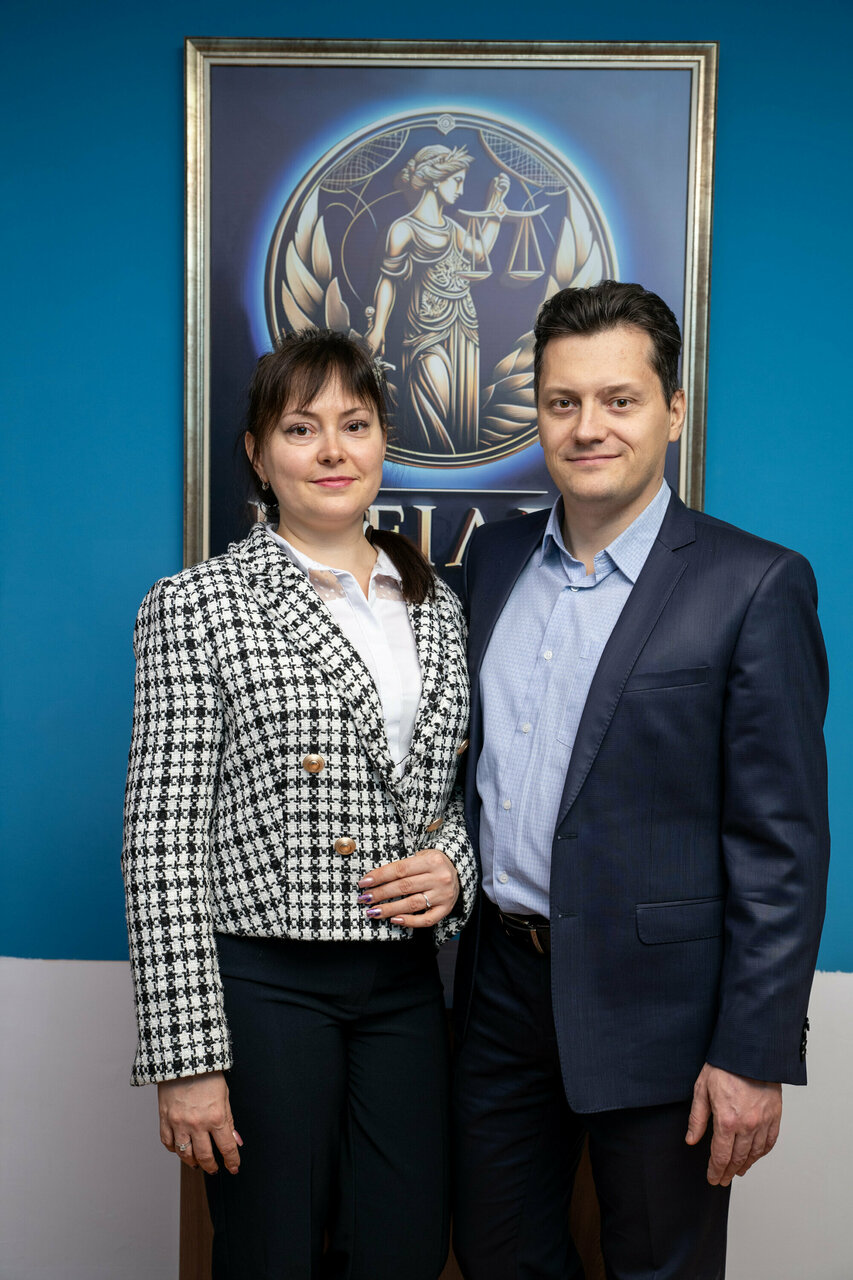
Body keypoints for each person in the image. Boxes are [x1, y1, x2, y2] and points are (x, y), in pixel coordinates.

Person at [451, 281, 830, 1279]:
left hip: (664, 1013)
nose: (588, 427)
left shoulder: (753, 583)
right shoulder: (491, 562)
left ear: (672, 410)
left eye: (618, 399)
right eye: (562, 402)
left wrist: (752, 1051)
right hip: (500, 994)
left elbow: (782, 847)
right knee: (496, 1256)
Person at [122, 328, 476, 1280]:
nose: (331, 451)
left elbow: (460, 794)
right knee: (269, 1252)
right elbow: (160, 841)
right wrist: (186, 1058)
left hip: (404, 981)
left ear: (383, 441)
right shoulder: (198, 605)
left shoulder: (436, 604)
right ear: (257, 451)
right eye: (300, 427)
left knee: (405, 1249)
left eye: (354, 425)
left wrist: (455, 866)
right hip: (263, 985)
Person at [365, 144, 509, 455]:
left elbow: (480, 251)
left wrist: (495, 209)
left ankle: (456, 464)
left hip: (463, 327)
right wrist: (377, 329)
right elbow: (387, 281)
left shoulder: (453, 229)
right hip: (426, 329)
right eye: (456, 181)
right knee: (433, 396)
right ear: (435, 179)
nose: (461, 190)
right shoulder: (403, 229)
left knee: (459, 408)